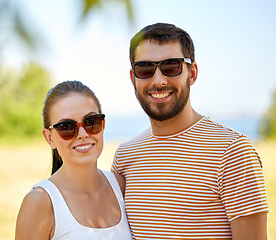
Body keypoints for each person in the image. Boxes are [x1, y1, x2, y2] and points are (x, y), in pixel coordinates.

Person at [111, 23, 268, 239]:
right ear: (133, 78)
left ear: (192, 73)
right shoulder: (125, 156)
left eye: (171, 67)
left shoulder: (232, 151)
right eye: (145, 69)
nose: (159, 80)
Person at [15, 80, 132, 240]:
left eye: (92, 122)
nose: (83, 133)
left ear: (103, 124)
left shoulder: (121, 187)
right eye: (67, 127)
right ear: (50, 138)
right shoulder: (40, 202)